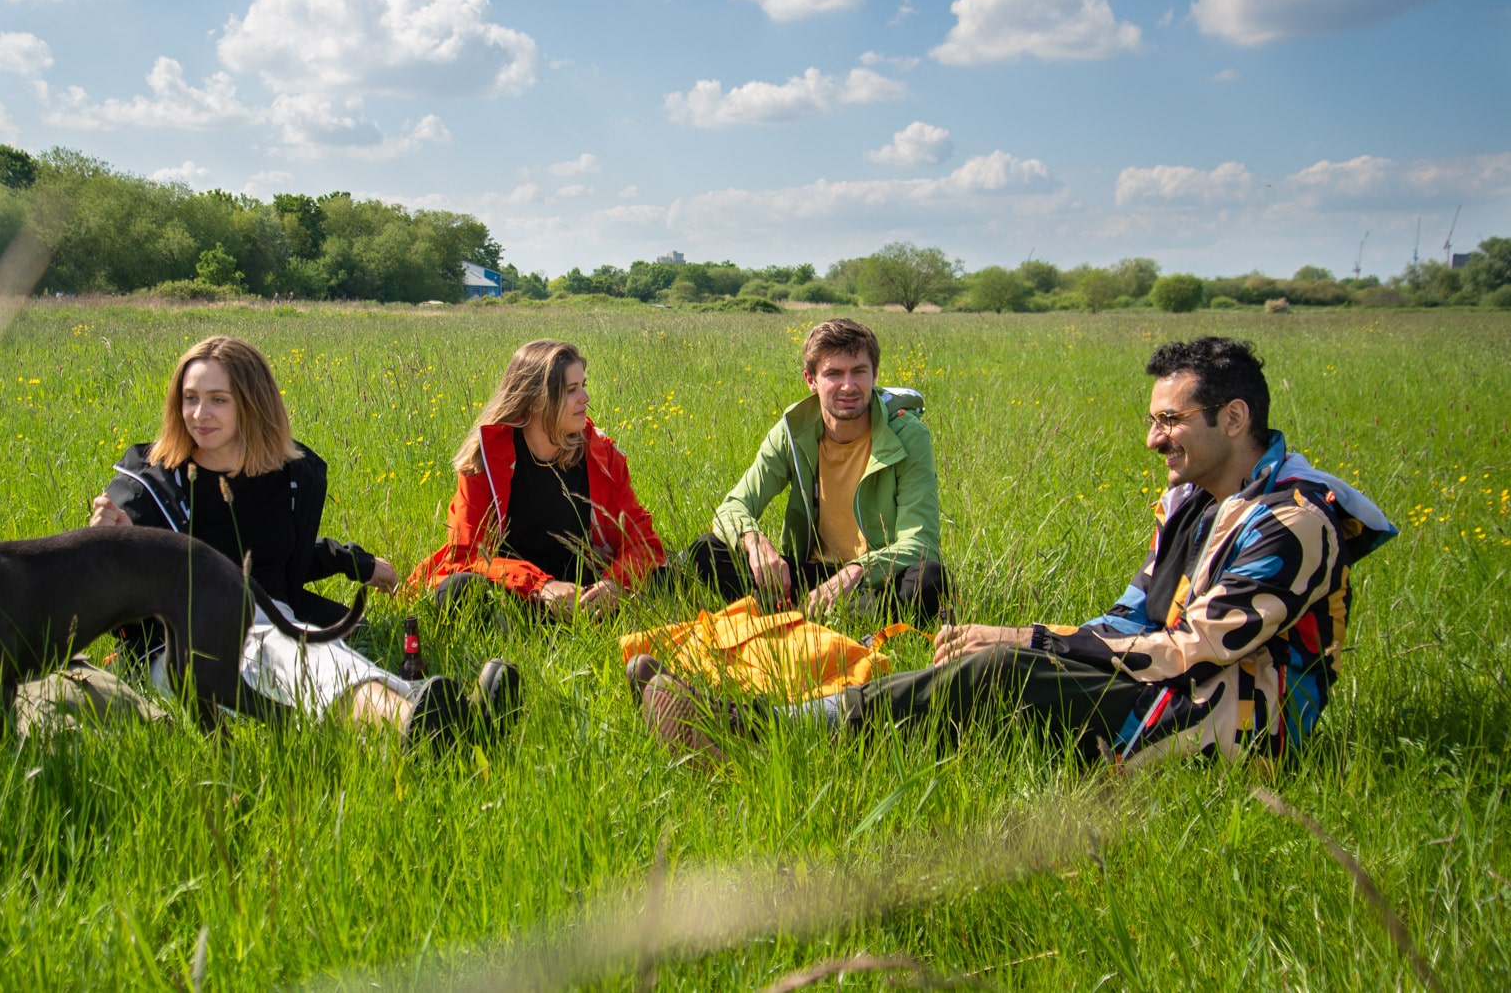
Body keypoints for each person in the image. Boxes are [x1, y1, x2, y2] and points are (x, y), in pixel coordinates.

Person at [634, 336, 1396, 768]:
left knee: (1001, 671)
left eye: (1170, 420)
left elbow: (1193, 651)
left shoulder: (1294, 522)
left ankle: (766, 734)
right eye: (1153, 419)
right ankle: (780, 719)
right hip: (1174, 684)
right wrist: (1031, 638)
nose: (1153, 438)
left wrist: (1027, 642)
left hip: (1238, 724)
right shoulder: (1196, 500)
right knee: (993, 667)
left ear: (1233, 419)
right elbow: (1131, 620)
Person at [89, 336, 520, 743]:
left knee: (312, 650)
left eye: (218, 400)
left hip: (275, 620)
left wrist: (358, 563)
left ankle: (429, 726)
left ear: (253, 403)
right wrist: (112, 547)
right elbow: (104, 600)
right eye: (190, 398)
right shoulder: (149, 487)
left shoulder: (285, 477)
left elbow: (281, 559)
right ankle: (425, 721)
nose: (200, 413)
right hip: (184, 644)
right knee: (290, 654)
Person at [686, 317, 948, 620]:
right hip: (809, 573)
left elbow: (921, 542)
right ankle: (819, 613)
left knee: (930, 579)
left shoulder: (908, 434)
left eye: (859, 372)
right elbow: (733, 507)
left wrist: (856, 571)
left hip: (874, 578)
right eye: (833, 373)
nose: (848, 386)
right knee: (706, 550)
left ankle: (804, 615)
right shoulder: (793, 430)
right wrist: (754, 542)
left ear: (874, 375)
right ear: (811, 380)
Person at [408, 339, 666, 621]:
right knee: (458, 590)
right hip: (518, 593)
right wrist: (542, 587)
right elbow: (467, 555)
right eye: (571, 390)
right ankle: (514, 634)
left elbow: (643, 542)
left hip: (587, 593)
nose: (585, 398)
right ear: (536, 400)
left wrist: (615, 584)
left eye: (583, 385)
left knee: (669, 576)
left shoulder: (602, 456)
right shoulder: (487, 461)